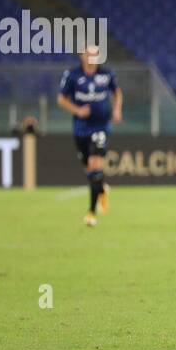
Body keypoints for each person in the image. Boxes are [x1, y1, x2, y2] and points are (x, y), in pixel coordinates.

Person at [57, 45, 120, 226]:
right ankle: (101, 189)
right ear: (82, 56)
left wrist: (116, 110)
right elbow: (61, 99)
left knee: (94, 164)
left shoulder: (107, 74)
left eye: (95, 54)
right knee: (89, 169)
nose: (93, 57)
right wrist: (77, 110)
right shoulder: (72, 75)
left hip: (101, 126)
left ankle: (91, 212)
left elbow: (117, 93)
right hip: (80, 128)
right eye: (89, 53)